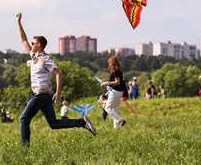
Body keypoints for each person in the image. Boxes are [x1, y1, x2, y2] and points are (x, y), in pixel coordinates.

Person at [16, 12, 96, 147]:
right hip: (44, 95)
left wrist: (58, 93)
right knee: (53, 123)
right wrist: (19, 22)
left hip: (41, 95)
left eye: (33, 43)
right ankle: (82, 123)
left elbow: (58, 74)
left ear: (39, 45)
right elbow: (23, 40)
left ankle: (25, 147)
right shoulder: (33, 56)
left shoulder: (46, 59)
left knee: (24, 119)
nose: (31, 44)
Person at [101, 55, 126, 129]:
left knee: (107, 108)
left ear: (112, 63)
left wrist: (107, 83)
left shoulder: (115, 71)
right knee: (115, 110)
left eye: (109, 63)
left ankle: (121, 121)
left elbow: (117, 82)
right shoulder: (119, 71)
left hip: (115, 92)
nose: (109, 64)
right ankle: (116, 129)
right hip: (119, 92)